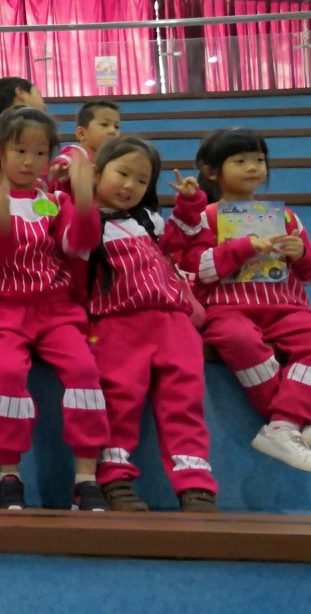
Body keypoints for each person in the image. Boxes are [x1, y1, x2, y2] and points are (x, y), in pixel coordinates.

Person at [0, 107, 110, 511]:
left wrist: (84, 200)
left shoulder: (52, 201)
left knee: (84, 371)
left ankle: (86, 478)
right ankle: (8, 476)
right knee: (10, 374)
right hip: (6, 310)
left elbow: (76, 244)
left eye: (40, 153)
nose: (30, 162)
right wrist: (1, 211)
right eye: (20, 151)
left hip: (57, 310)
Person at [86, 135, 218, 511]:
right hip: (116, 322)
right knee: (119, 398)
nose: (130, 185)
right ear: (97, 173)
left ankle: (195, 483)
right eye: (122, 174)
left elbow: (179, 241)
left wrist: (190, 204)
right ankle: (115, 478)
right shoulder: (84, 221)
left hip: (173, 322)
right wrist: (72, 183)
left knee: (184, 400)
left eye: (142, 180)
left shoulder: (148, 220)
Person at [181, 127, 311, 472]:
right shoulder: (203, 218)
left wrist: (301, 253)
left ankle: (283, 426)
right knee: (237, 339)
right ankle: (291, 423)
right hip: (228, 309)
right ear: (212, 171)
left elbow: (310, 274)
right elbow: (197, 271)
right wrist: (242, 247)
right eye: (240, 161)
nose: (253, 167)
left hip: (287, 307)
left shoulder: (286, 217)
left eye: (259, 159)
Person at [51, 100, 121, 194]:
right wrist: (59, 168)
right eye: (104, 124)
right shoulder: (77, 153)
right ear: (81, 133)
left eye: (116, 126)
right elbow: (63, 162)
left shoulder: (108, 161)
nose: (113, 131)